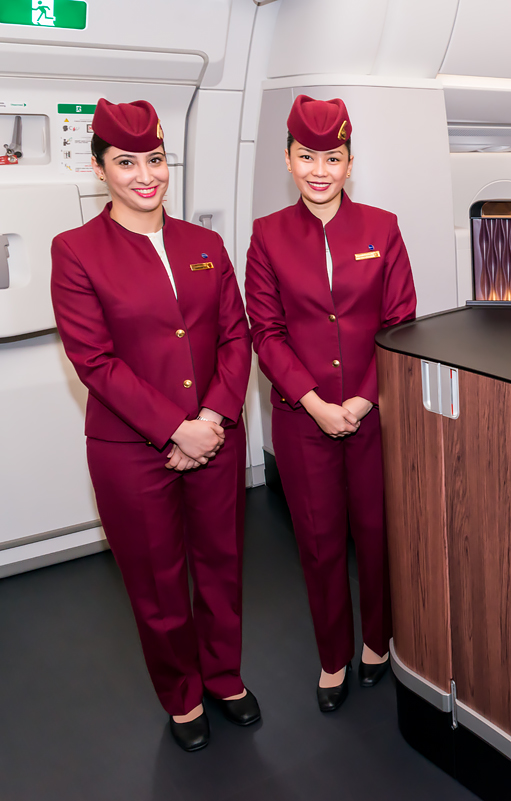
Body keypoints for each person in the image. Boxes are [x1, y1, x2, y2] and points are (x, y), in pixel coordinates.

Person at [50, 99, 257, 752]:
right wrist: (176, 428)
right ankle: (183, 693)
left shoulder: (205, 245)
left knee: (222, 565)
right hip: (132, 450)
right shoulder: (76, 251)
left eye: (156, 160)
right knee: (158, 581)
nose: (146, 176)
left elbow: (237, 336)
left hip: (217, 435)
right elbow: (96, 361)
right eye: (127, 162)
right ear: (99, 168)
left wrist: (215, 416)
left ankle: (224, 675)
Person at [244, 95, 417, 713]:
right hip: (302, 418)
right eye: (308, 156)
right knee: (318, 542)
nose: (321, 170)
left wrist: (365, 400)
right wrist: (316, 403)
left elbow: (399, 322)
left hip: (373, 415)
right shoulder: (266, 237)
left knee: (375, 531)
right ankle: (332, 655)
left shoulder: (382, 228)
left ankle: (377, 641)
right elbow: (265, 332)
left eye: (334, 157)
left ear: (350, 162)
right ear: (288, 159)